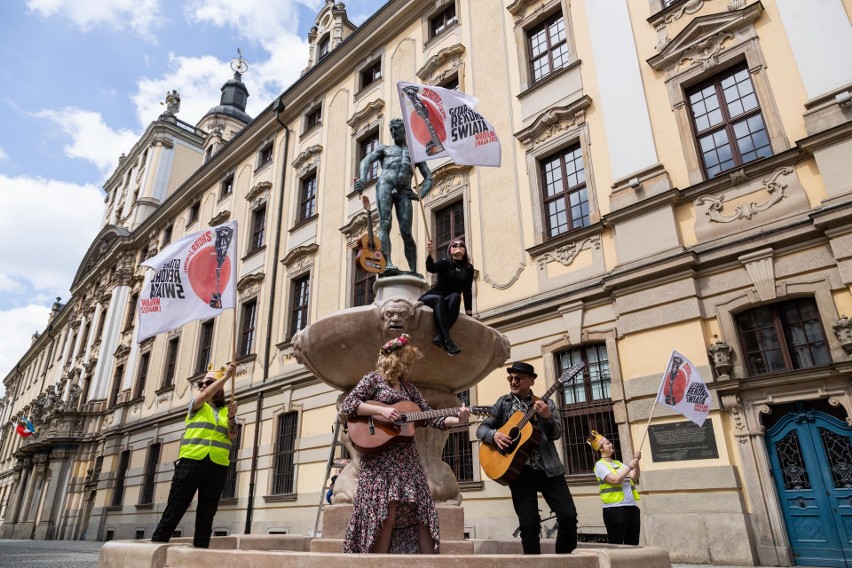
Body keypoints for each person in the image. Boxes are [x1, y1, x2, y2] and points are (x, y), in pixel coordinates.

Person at [340, 333, 470, 553]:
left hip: (407, 459)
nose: (409, 366)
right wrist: (381, 410)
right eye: (406, 360)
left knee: (422, 509)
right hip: (380, 460)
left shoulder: (410, 389)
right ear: (395, 358)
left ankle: (428, 563)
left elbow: (430, 416)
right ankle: (379, 563)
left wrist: (458, 419)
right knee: (386, 514)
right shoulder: (373, 380)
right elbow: (349, 405)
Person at [476, 361, 578, 555]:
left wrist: (547, 416)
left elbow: (556, 433)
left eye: (518, 378)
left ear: (531, 381)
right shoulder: (503, 403)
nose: (513, 382)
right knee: (529, 524)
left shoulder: (545, 403)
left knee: (568, 516)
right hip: (519, 472)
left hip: (549, 468)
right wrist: (494, 435)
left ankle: (565, 560)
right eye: (510, 378)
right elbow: (482, 429)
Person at [151, 362, 238, 548]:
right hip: (191, 462)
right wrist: (226, 377)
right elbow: (206, 395)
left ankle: (201, 554)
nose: (203, 387)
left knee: (206, 516)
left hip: (218, 466)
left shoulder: (226, 410)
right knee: (174, 510)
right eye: (202, 384)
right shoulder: (196, 404)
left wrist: (231, 418)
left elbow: (232, 435)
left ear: (219, 389)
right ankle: (153, 553)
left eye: (207, 383)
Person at [354, 118, 433, 274]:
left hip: (404, 190)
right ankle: (387, 262)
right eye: (392, 129)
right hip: (385, 185)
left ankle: (413, 271)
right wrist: (363, 178)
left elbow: (429, 177)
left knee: (406, 231)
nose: (394, 131)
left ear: (405, 129)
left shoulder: (415, 154)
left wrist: (419, 195)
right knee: (385, 223)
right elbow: (366, 160)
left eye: (397, 128)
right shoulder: (385, 149)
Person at [418, 237, 474, 356]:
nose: (458, 246)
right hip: (432, 297)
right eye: (454, 245)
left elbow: (467, 291)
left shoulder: (468, 269)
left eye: (461, 245)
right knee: (440, 299)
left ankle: (440, 337)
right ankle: (448, 341)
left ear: (465, 250)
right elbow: (431, 268)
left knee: (455, 296)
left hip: (448, 300)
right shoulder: (446, 262)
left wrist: (470, 314)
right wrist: (429, 253)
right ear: (450, 250)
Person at [587, 430, 642, 545]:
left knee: (632, 544)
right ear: (601, 449)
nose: (611, 444)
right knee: (616, 544)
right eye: (607, 443)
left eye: (610, 442)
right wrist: (629, 466)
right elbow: (615, 480)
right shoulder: (600, 465)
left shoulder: (618, 463)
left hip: (631, 507)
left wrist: (636, 463)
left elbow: (634, 476)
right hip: (615, 509)